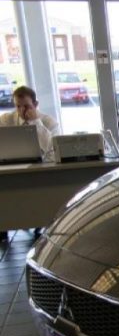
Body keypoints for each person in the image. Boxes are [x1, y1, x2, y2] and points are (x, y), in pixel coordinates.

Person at [0, 85, 59, 243]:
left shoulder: (48, 122)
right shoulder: (6, 120)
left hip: (40, 170)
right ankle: (4, 224)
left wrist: (36, 123)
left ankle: (39, 221)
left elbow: (51, 149)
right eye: (18, 106)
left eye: (26, 106)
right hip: (9, 168)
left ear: (36, 104)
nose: (22, 111)